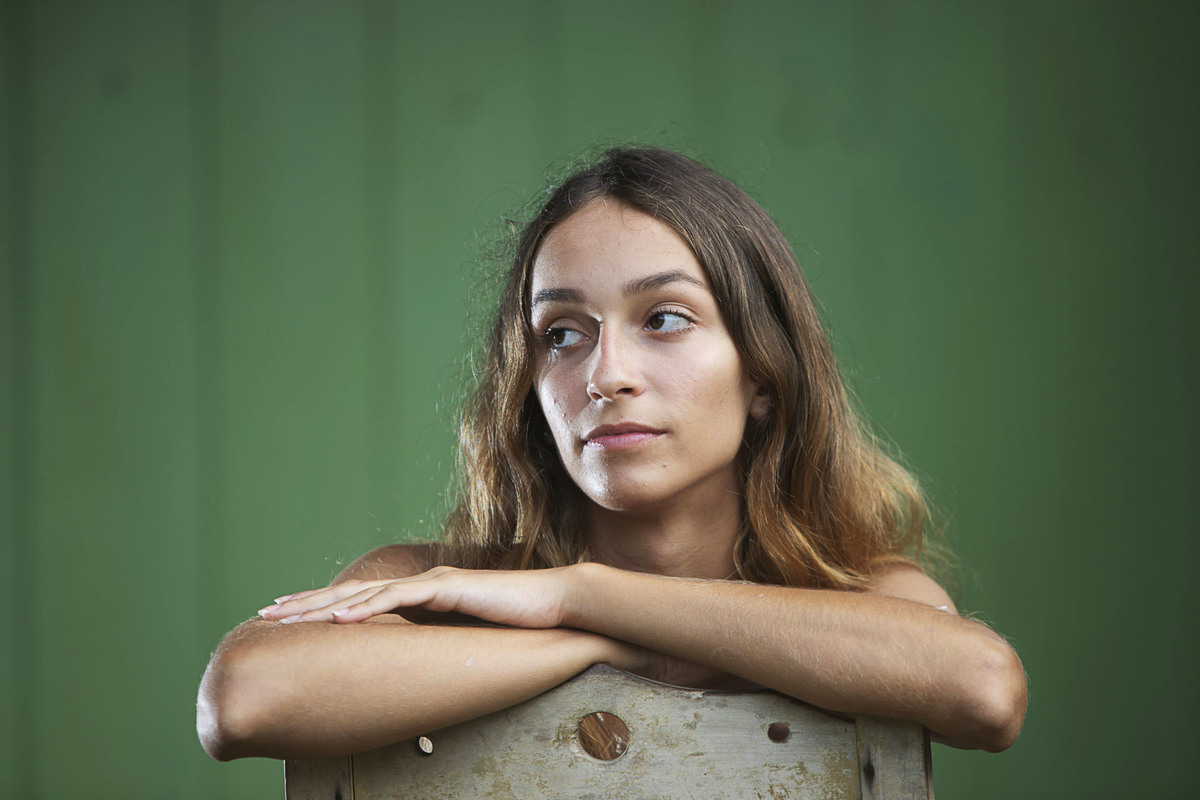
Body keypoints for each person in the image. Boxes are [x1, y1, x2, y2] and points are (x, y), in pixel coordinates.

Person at [197, 146, 1026, 763]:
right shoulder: (427, 595)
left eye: (665, 318)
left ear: (763, 375)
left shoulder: (863, 601)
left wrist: (580, 595)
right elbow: (243, 702)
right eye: (563, 333)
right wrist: (603, 635)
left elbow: (984, 691)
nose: (605, 375)